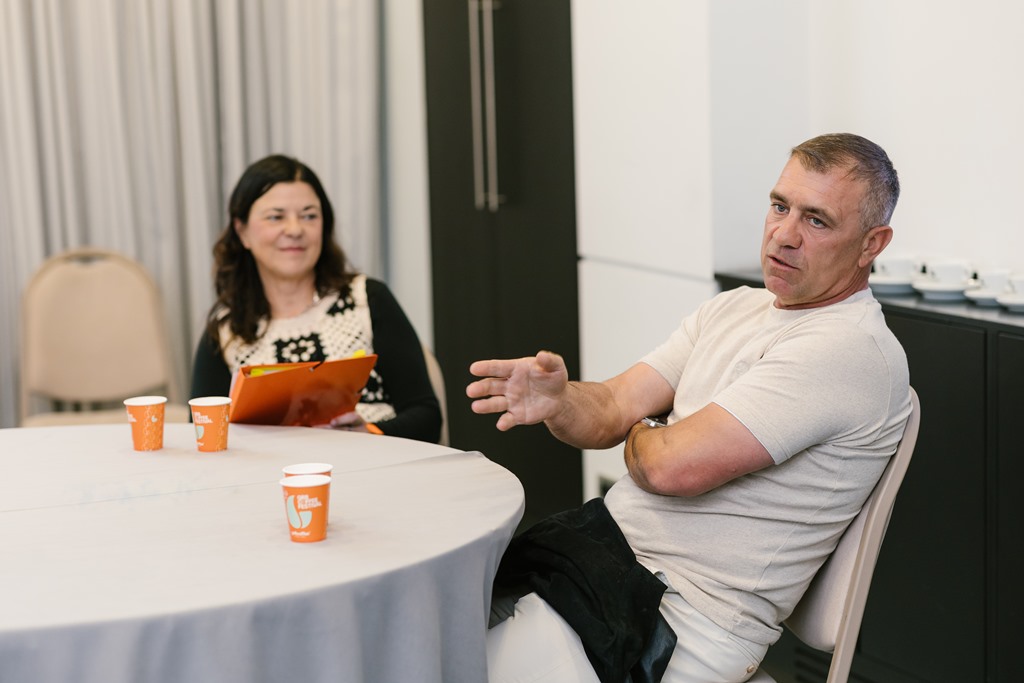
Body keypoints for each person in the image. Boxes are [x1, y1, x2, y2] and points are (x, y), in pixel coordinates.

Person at [467, 133, 912, 682]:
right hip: (607, 564)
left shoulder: (848, 348)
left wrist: (645, 429)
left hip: (682, 620)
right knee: (432, 625)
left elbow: (667, 468)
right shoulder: (733, 308)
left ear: (872, 244)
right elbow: (611, 406)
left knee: (450, 664)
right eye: (780, 207)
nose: (784, 235)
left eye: (816, 220)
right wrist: (561, 401)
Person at [191, 154, 441, 443]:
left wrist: (368, 434)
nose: (295, 230)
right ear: (242, 231)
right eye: (276, 217)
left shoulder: (367, 301)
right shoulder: (225, 333)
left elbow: (427, 418)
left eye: (309, 216)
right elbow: (202, 436)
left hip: (375, 463)